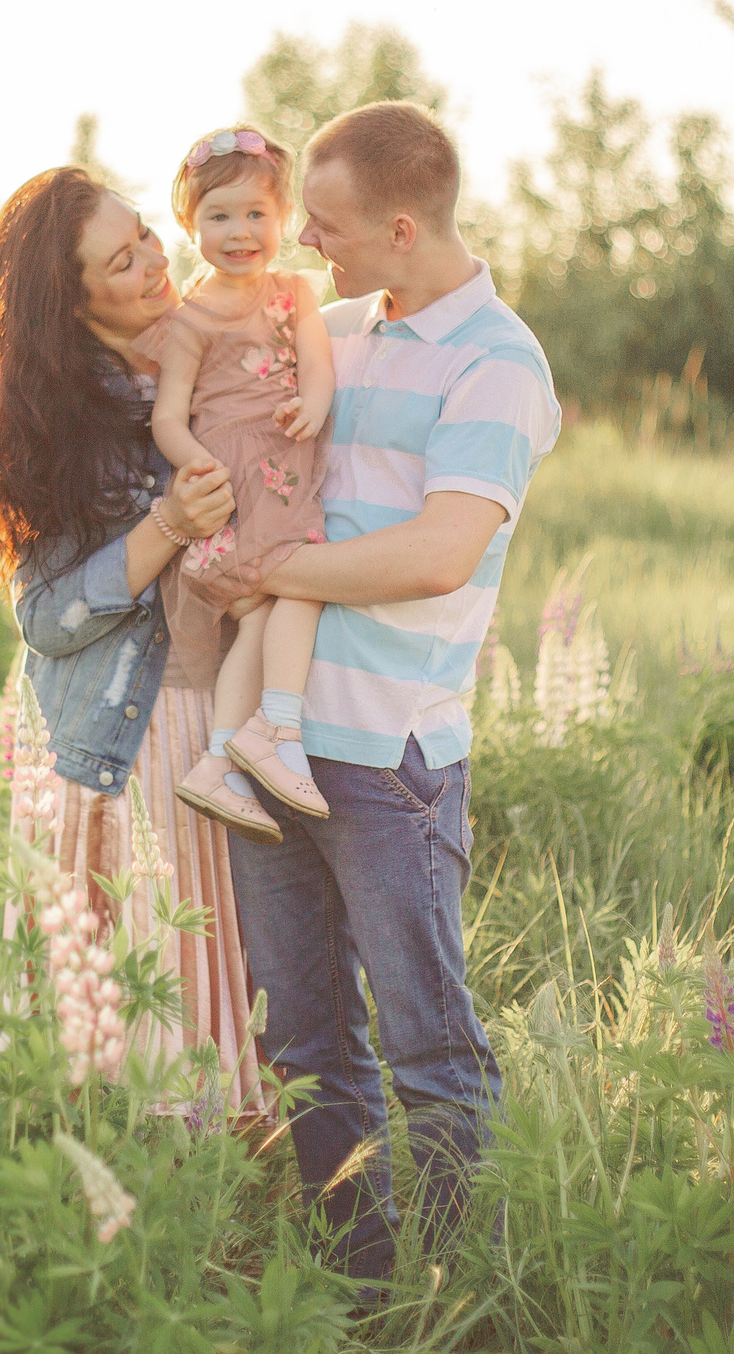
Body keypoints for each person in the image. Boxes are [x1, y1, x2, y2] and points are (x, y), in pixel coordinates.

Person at [228, 101, 562, 1283]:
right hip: (273, 744)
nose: (306, 243)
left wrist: (270, 569)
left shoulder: (498, 366)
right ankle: (359, 1280)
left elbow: (437, 553)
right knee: (306, 1042)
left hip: (389, 760)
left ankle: (464, 1292)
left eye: (326, 225)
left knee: (427, 1049)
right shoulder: (331, 330)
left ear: (403, 228)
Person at [0, 164, 269, 1114]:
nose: (154, 262)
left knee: (236, 991)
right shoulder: (58, 418)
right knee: (135, 1007)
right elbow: (47, 618)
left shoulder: (213, 353)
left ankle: (230, 1191)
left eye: (145, 237)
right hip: (130, 739)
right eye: (121, 261)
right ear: (71, 299)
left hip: (229, 721)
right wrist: (168, 524)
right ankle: (128, 1179)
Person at [135, 125, 333, 842]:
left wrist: (312, 406)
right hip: (234, 481)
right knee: (302, 585)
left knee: (258, 613)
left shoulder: (295, 292)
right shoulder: (190, 318)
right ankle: (277, 726)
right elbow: (167, 416)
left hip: (285, 461)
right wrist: (197, 463)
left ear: (284, 219)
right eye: (219, 216)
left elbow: (318, 367)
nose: (240, 231)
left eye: (256, 214)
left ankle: (221, 758)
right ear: (190, 226)